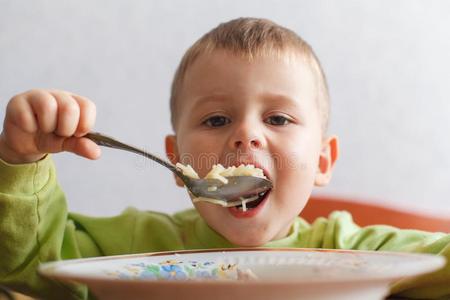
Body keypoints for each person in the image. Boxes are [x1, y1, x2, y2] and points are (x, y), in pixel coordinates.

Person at [0, 18, 448, 300]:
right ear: (177, 161)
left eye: (277, 117)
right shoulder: (139, 244)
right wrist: (21, 161)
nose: (246, 135)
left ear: (322, 160)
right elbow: (31, 263)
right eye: (216, 119)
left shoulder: (354, 251)